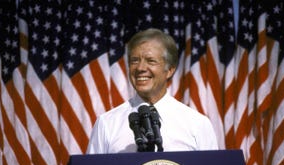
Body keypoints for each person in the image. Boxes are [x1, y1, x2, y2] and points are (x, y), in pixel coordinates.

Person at [87, 28, 218, 154]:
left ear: (170, 70)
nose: (140, 68)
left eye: (151, 61)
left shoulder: (197, 124)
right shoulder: (106, 124)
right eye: (134, 60)